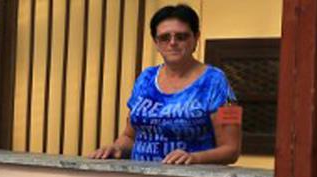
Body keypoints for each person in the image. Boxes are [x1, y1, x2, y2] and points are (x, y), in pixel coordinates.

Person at [91, 4, 241, 165]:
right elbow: (129, 136)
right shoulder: (145, 78)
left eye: (181, 37)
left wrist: (195, 158)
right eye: (164, 37)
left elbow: (231, 150)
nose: (172, 43)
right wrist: (116, 149)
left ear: (196, 38)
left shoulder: (216, 81)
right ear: (156, 42)